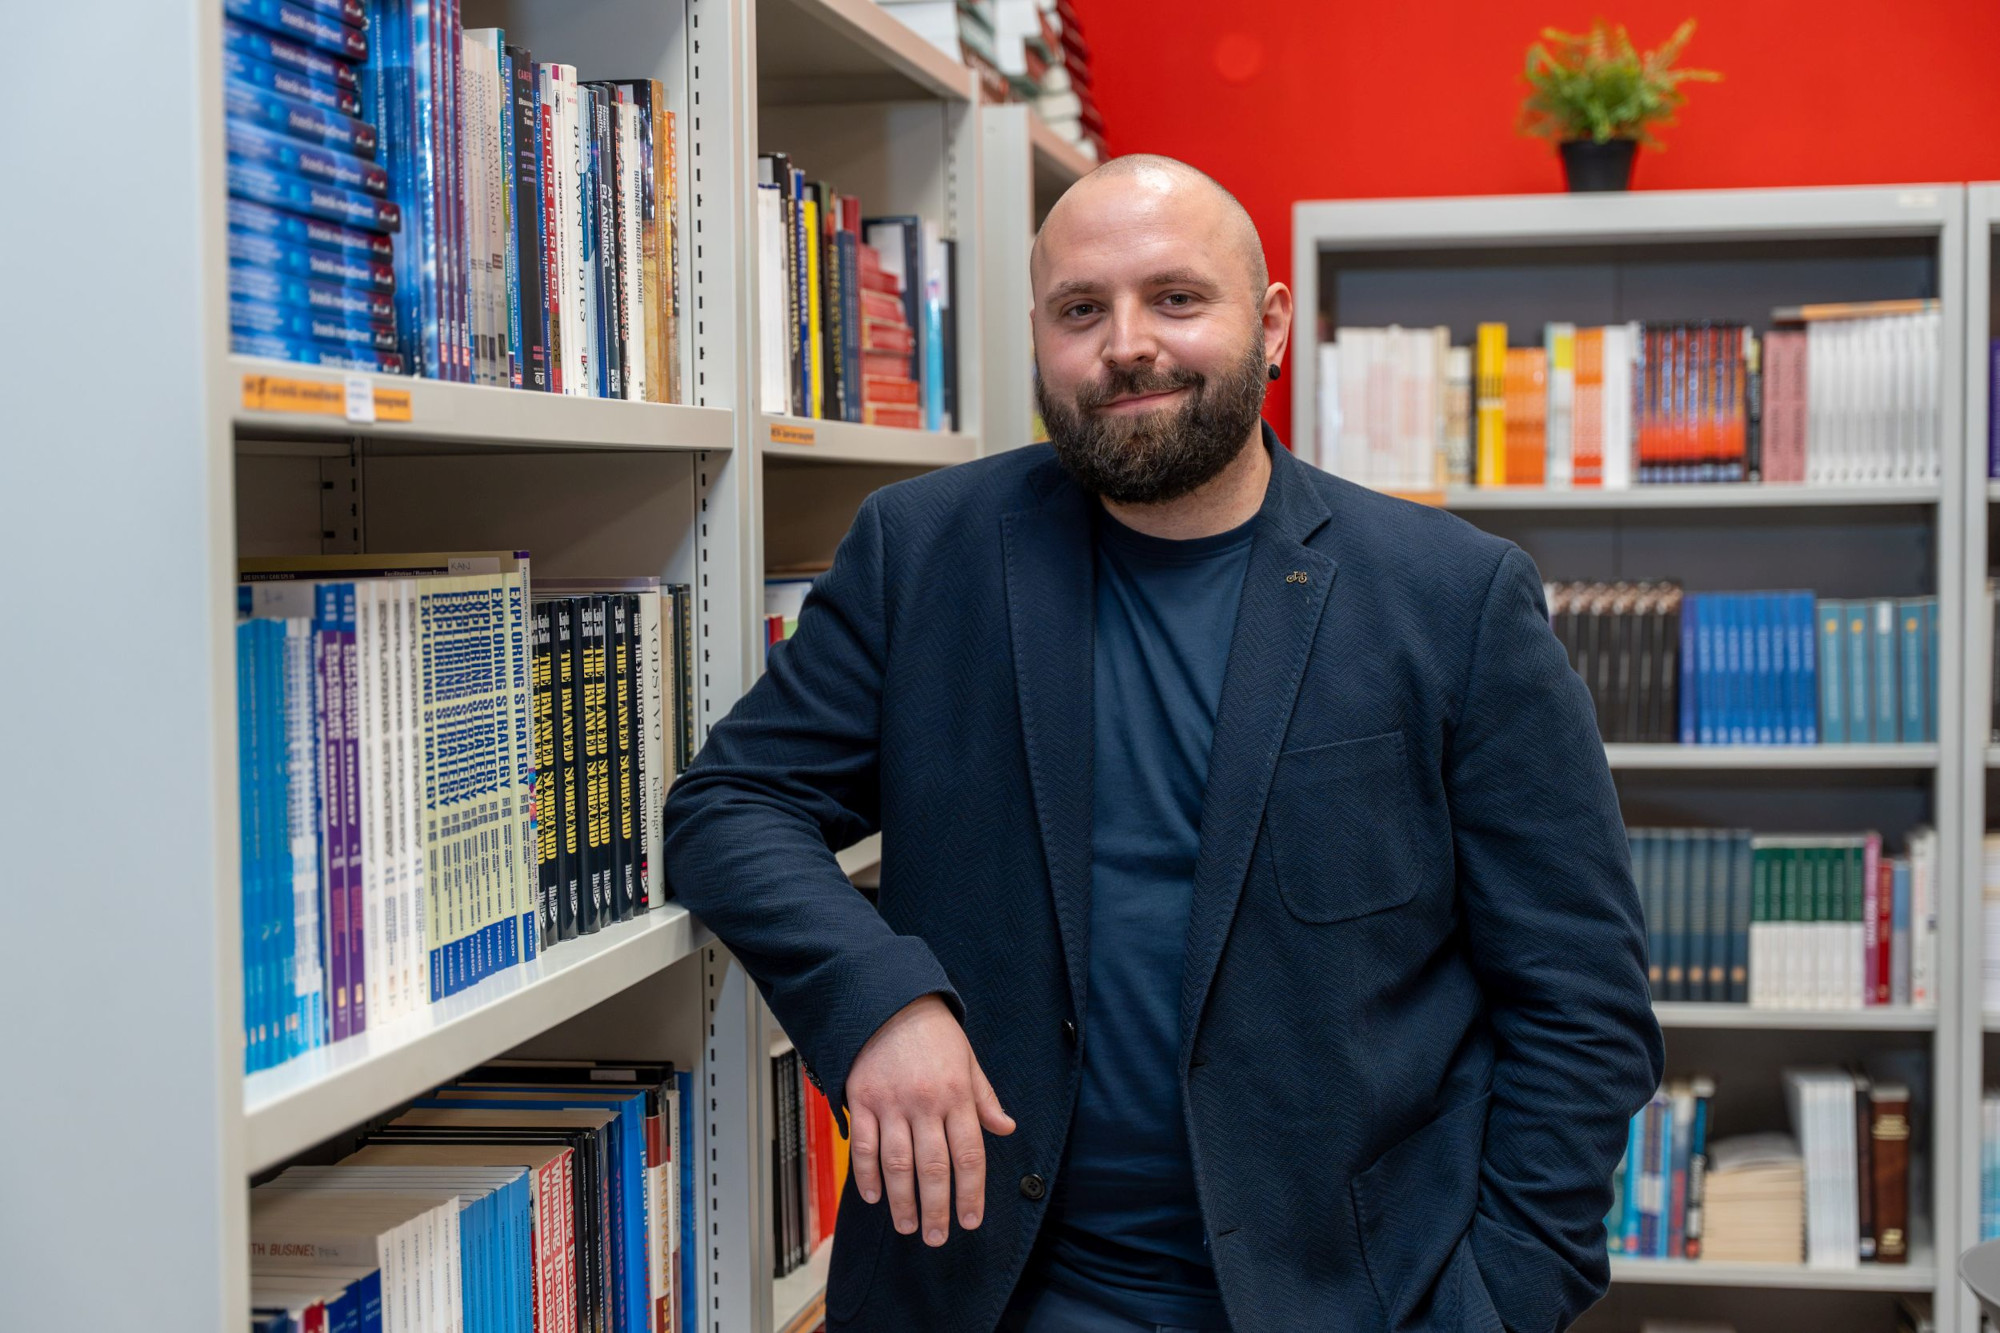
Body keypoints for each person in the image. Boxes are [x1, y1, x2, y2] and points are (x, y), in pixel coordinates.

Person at [662, 154, 1664, 1333]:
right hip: (981, 1295)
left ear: (1270, 324)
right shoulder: (919, 552)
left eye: (1175, 298)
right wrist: (880, 1002)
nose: (1126, 344)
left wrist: (1494, 1304)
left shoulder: (1451, 597)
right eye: (1080, 309)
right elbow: (729, 805)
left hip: (1344, 1301)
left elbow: (1580, 1001)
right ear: (1038, 339)